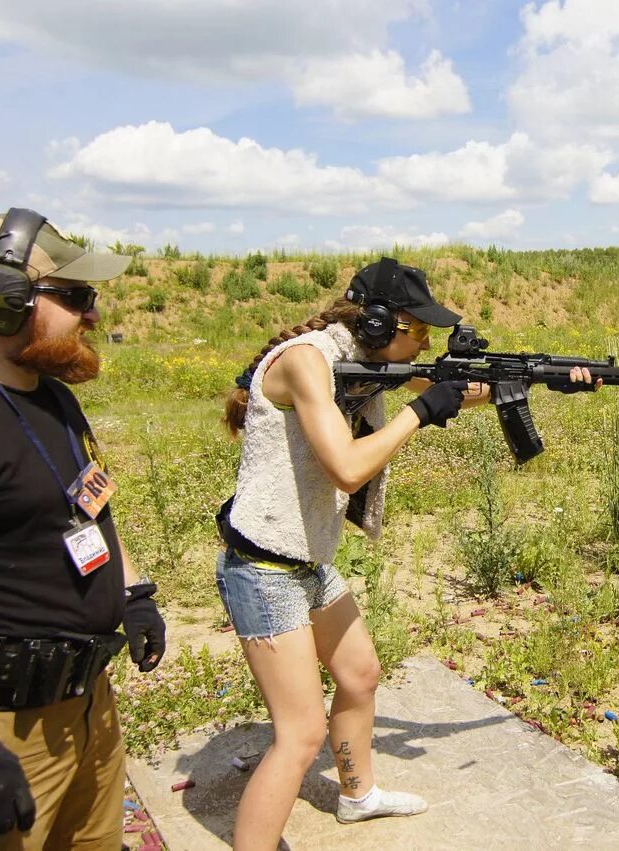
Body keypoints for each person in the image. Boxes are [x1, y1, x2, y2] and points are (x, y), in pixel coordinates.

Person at [217, 257, 594, 849]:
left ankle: (357, 796)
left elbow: (455, 393)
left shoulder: (364, 362)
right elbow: (345, 468)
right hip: (263, 568)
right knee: (299, 735)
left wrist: (545, 379)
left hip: (306, 561)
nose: (424, 342)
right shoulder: (307, 361)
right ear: (373, 322)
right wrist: (421, 413)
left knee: (360, 673)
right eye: (416, 329)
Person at [0, 209, 167, 849]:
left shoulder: (50, 395)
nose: (94, 316)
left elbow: (85, 505)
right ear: (4, 301)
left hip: (83, 707)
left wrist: (132, 591)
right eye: (76, 298)